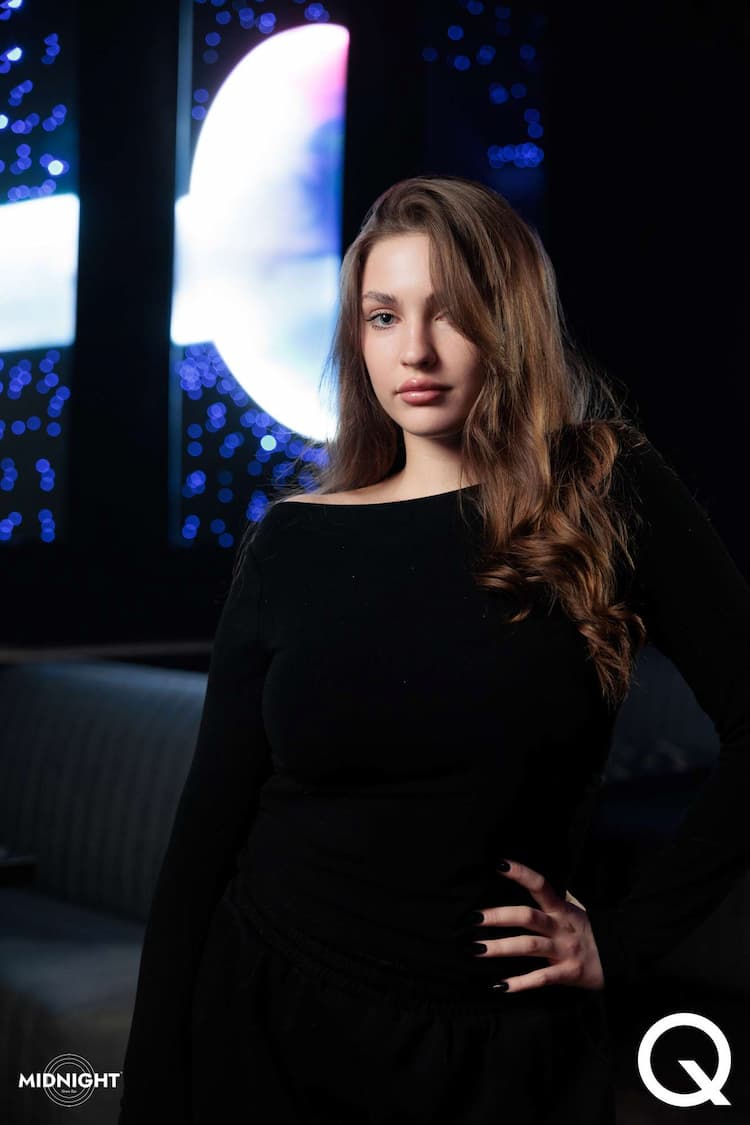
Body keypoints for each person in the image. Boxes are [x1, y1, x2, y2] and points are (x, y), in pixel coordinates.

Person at [118, 175, 750, 1124]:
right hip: (270, 1019)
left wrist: (626, 940)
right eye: (383, 316)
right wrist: (152, 1089)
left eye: (449, 312)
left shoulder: (605, 487)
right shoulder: (293, 539)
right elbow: (204, 835)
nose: (414, 349)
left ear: (511, 323)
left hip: (501, 1050)